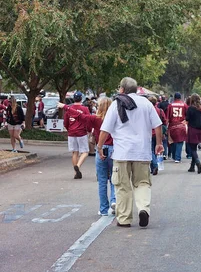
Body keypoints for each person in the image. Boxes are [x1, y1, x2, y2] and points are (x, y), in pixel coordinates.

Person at [97, 77, 164, 228]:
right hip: (142, 152)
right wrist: (159, 143)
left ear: (122, 89)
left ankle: (125, 219)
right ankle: (143, 209)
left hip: (122, 153)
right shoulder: (146, 103)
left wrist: (100, 146)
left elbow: (105, 129)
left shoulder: (115, 104)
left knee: (122, 185)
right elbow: (158, 125)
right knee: (142, 183)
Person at [59, 97, 116, 216]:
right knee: (114, 179)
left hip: (101, 149)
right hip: (114, 150)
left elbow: (79, 116)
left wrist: (65, 107)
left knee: (102, 180)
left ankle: (103, 209)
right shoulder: (116, 119)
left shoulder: (95, 119)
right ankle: (114, 201)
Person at [64, 91, 90, 179]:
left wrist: (69, 129)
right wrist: (89, 130)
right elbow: (88, 120)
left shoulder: (69, 109)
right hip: (81, 132)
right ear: (81, 98)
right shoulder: (85, 109)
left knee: (75, 152)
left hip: (71, 132)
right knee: (85, 152)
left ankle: (76, 173)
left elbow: (65, 122)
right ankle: (78, 166)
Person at [185, 94, 201, 174]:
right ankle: (192, 167)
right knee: (195, 148)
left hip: (192, 129)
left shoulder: (190, 108)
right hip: (199, 130)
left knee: (192, 148)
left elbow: (187, 119)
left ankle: (198, 163)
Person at [147, 96, 167, 176]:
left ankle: (154, 166)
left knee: (151, 150)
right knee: (157, 150)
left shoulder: (147, 111)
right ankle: (154, 166)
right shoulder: (160, 111)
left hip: (149, 133)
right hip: (158, 132)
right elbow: (164, 122)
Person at [166, 92, 187, 163]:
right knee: (180, 142)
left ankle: (174, 156)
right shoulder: (184, 105)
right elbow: (187, 116)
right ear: (180, 97)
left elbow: (167, 118)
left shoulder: (170, 105)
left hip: (172, 126)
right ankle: (177, 158)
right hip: (181, 125)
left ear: (174, 98)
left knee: (172, 141)